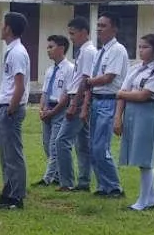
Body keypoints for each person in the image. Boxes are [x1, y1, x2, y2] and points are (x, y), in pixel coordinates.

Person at [116, 33, 154, 212]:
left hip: (146, 114)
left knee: (145, 158)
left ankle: (144, 200)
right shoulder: (135, 68)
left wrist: (123, 94)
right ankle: (150, 199)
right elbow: (124, 91)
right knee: (138, 156)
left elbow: (143, 95)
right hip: (131, 113)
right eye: (139, 47)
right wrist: (118, 118)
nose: (141, 50)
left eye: (145, 47)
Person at [88, 13, 131, 198]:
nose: (99, 29)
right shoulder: (101, 52)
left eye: (103, 25)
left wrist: (88, 82)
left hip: (109, 100)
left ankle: (114, 187)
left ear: (114, 28)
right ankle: (103, 186)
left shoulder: (117, 50)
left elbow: (108, 77)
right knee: (92, 146)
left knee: (100, 146)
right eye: (98, 25)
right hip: (97, 99)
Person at [56, 17, 98, 192]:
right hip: (78, 97)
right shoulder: (83, 51)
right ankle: (83, 181)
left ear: (83, 32)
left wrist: (75, 103)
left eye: (73, 34)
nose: (71, 38)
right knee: (82, 143)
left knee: (62, 140)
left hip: (79, 99)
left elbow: (85, 79)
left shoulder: (88, 51)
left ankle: (67, 181)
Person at [0, 12, 31, 210]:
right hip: (3, 106)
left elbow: (19, 84)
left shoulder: (17, 52)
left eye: (3, 24)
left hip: (10, 108)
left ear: (8, 28)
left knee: (13, 154)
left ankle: (16, 196)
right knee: (5, 154)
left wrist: (11, 108)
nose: (1, 27)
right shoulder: (11, 50)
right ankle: (8, 191)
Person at [36, 35, 74, 188]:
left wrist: (54, 111)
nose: (48, 50)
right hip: (48, 108)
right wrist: (42, 109)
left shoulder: (69, 69)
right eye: (48, 47)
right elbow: (45, 92)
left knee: (54, 144)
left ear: (61, 48)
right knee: (46, 144)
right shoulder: (50, 70)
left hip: (60, 109)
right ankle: (57, 175)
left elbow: (66, 95)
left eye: (51, 47)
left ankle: (48, 178)